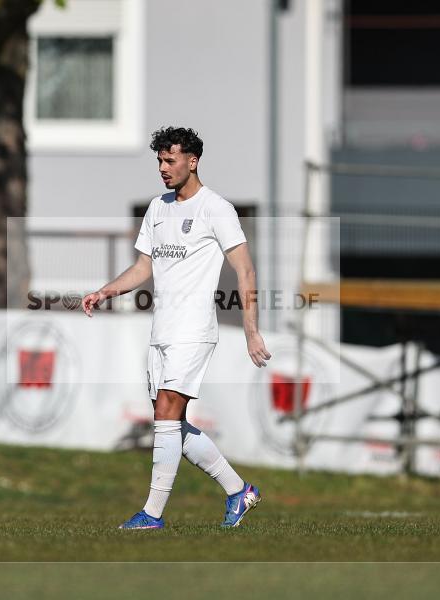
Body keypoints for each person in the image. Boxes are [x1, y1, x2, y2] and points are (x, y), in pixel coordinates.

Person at [82, 126, 271, 529]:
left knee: (167, 411)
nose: (163, 169)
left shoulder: (216, 208)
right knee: (171, 424)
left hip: (194, 329)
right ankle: (240, 491)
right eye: (159, 161)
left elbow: (245, 269)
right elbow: (142, 268)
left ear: (192, 161)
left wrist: (252, 330)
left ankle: (151, 515)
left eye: (170, 161)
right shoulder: (158, 207)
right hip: (162, 330)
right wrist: (105, 291)